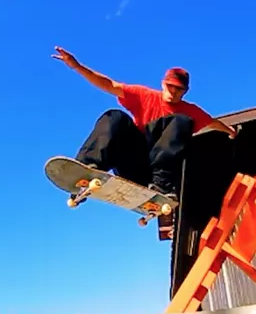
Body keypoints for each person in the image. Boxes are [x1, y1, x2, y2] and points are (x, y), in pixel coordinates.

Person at [51, 46, 237, 205]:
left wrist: (230, 131)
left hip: (152, 174)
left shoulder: (190, 111)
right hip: (131, 161)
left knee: (182, 120)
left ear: (185, 91)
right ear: (162, 84)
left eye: (178, 89)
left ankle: (161, 186)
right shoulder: (145, 95)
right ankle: (86, 170)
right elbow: (109, 84)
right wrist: (77, 67)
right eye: (169, 86)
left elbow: (212, 123)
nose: (172, 92)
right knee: (115, 116)